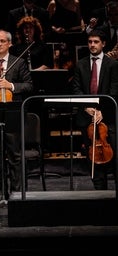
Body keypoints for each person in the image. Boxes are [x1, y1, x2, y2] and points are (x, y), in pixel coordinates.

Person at [0, 30, 33, 201]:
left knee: (15, 156)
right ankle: (0, 191)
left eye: (3, 41)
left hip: (12, 114)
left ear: (9, 43)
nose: (0, 44)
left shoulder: (19, 62)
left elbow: (29, 85)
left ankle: (16, 192)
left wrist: (11, 86)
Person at [70, 29, 118, 190]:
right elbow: (76, 89)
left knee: (115, 157)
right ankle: (100, 193)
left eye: (96, 42)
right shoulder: (81, 64)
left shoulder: (113, 65)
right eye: (90, 42)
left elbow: (114, 91)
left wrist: (102, 111)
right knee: (93, 160)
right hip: (87, 118)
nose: (92, 45)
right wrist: (86, 107)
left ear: (103, 44)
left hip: (109, 117)